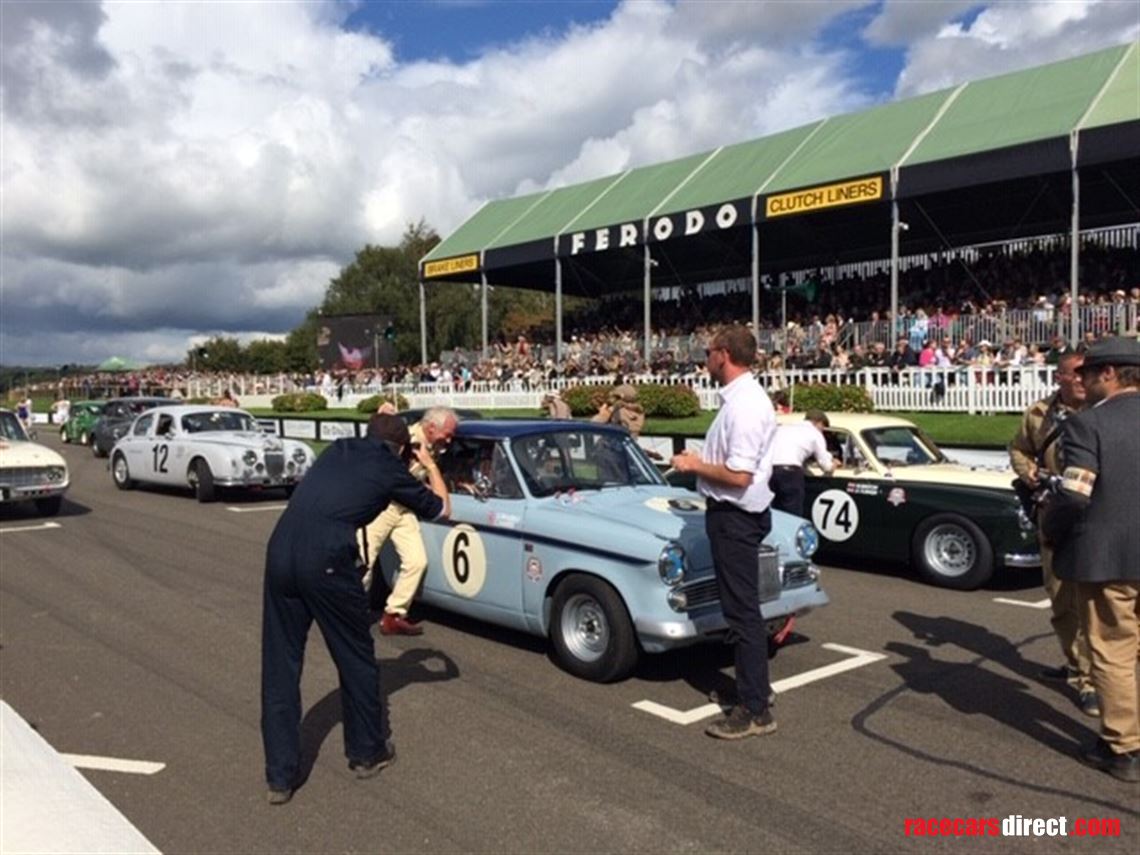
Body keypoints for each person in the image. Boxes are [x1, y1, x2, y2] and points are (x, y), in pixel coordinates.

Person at [261, 413, 450, 804]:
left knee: (280, 666)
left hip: (280, 549)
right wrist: (428, 464)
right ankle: (367, 753)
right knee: (356, 659)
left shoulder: (337, 449)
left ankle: (279, 777)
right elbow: (440, 508)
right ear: (402, 448)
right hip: (327, 559)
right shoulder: (389, 467)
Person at [670, 326, 777, 740]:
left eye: (709, 351)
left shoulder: (746, 406)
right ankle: (756, 690)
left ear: (724, 355)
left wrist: (694, 465)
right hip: (733, 515)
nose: (705, 358)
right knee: (742, 609)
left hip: (735, 516)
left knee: (742, 612)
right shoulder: (741, 400)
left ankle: (754, 709)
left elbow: (738, 475)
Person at [1042, 336, 1140, 784]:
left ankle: (1123, 748)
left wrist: (1051, 529)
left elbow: (1075, 495)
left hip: (1108, 559)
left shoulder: (1088, 425)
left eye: (1087, 373)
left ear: (1108, 374)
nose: (1081, 381)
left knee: (1113, 653)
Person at [1009, 351, 1095, 715]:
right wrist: (1028, 471)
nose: (1080, 379)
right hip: (1054, 518)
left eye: (1085, 373)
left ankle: (1089, 681)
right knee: (1061, 602)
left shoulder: (1104, 411)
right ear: (1058, 377)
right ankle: (1076, 664)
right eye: (1073, 374)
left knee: (1093, 605)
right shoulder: (1039, 414)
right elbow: (1018, 448)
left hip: (1095, 521)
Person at [360, 407, 459, 636]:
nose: (450, 439)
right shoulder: (407, 439)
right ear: (431, 427)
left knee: (416, 561)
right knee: (364, 563)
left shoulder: (434, 447)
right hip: (382, 505)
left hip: (405, 508)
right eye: (448, 433)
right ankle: (348, 616)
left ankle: (394, 614)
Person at [768, 409, 837, 517]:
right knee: (791, 511)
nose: (823, 430)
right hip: (790, 472)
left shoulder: (784, 428)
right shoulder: (815, 433)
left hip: (769, 470)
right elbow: (826, 466)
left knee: (772, 511)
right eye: (823, 426)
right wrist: (834, 464)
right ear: (818, 423)